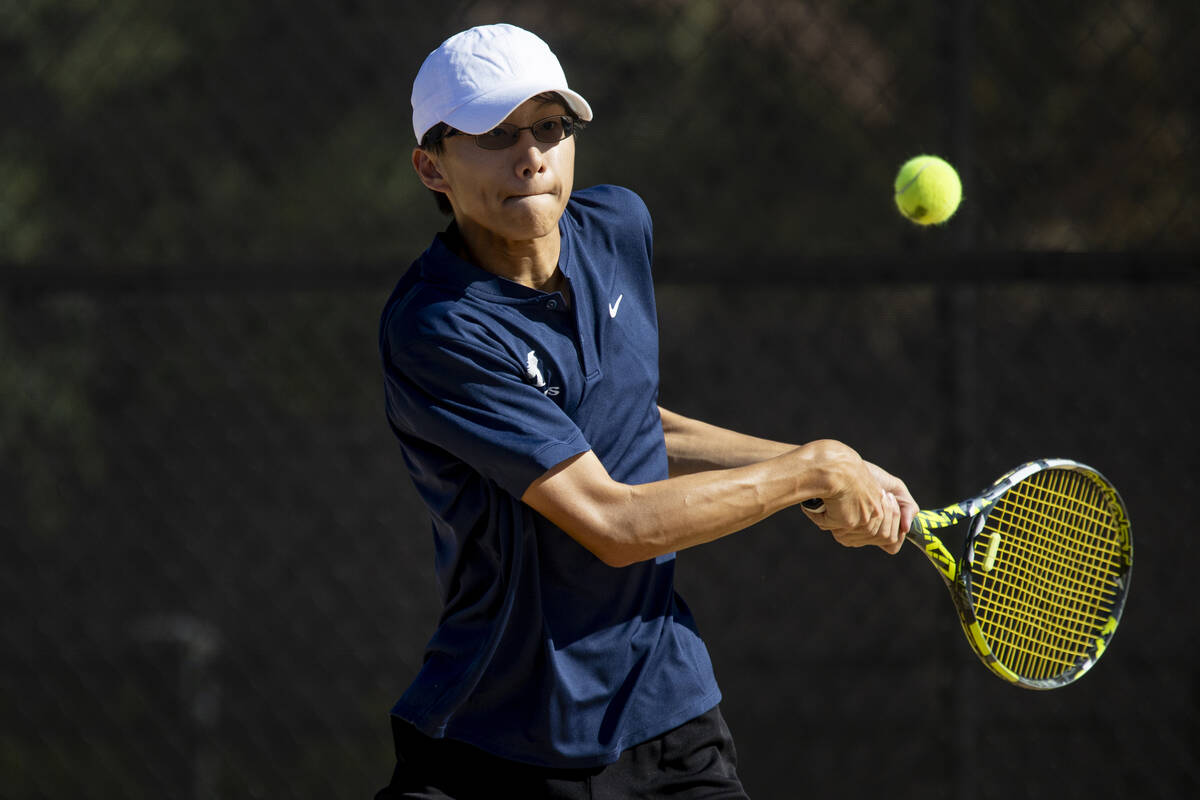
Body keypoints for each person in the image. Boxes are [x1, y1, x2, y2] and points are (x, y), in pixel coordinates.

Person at [376, 23, 919, 799]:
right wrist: (812, 468)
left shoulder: (619, 229)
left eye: (549, 127)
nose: (531, 153)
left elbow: (634, 424)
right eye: (495, 134)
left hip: (667, 722)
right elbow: (614, 525)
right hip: (500, 741)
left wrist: (827, 471)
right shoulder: (439, 326)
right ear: (432, 166)